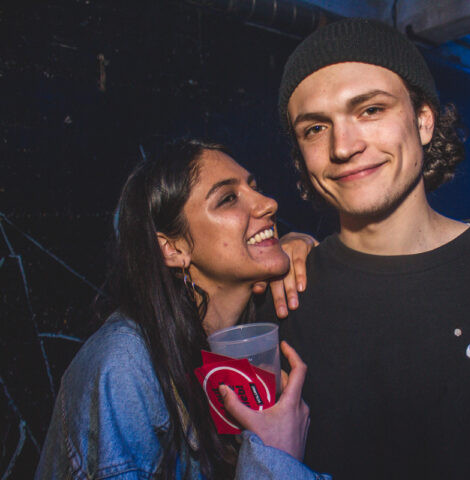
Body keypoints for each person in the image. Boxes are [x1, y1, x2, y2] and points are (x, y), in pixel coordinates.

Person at [255, 18, 470, 478]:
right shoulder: (283, 299)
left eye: (370, 110)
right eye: (316, 128)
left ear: (423, 121)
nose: (343, 146)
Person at [35, 139, 328, 479]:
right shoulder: (124, 365)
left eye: (255, 187)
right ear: (173, 249)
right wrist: (275, 456)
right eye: (228, 198)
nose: (269, 203)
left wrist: (304, 249)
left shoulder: (251, 330)